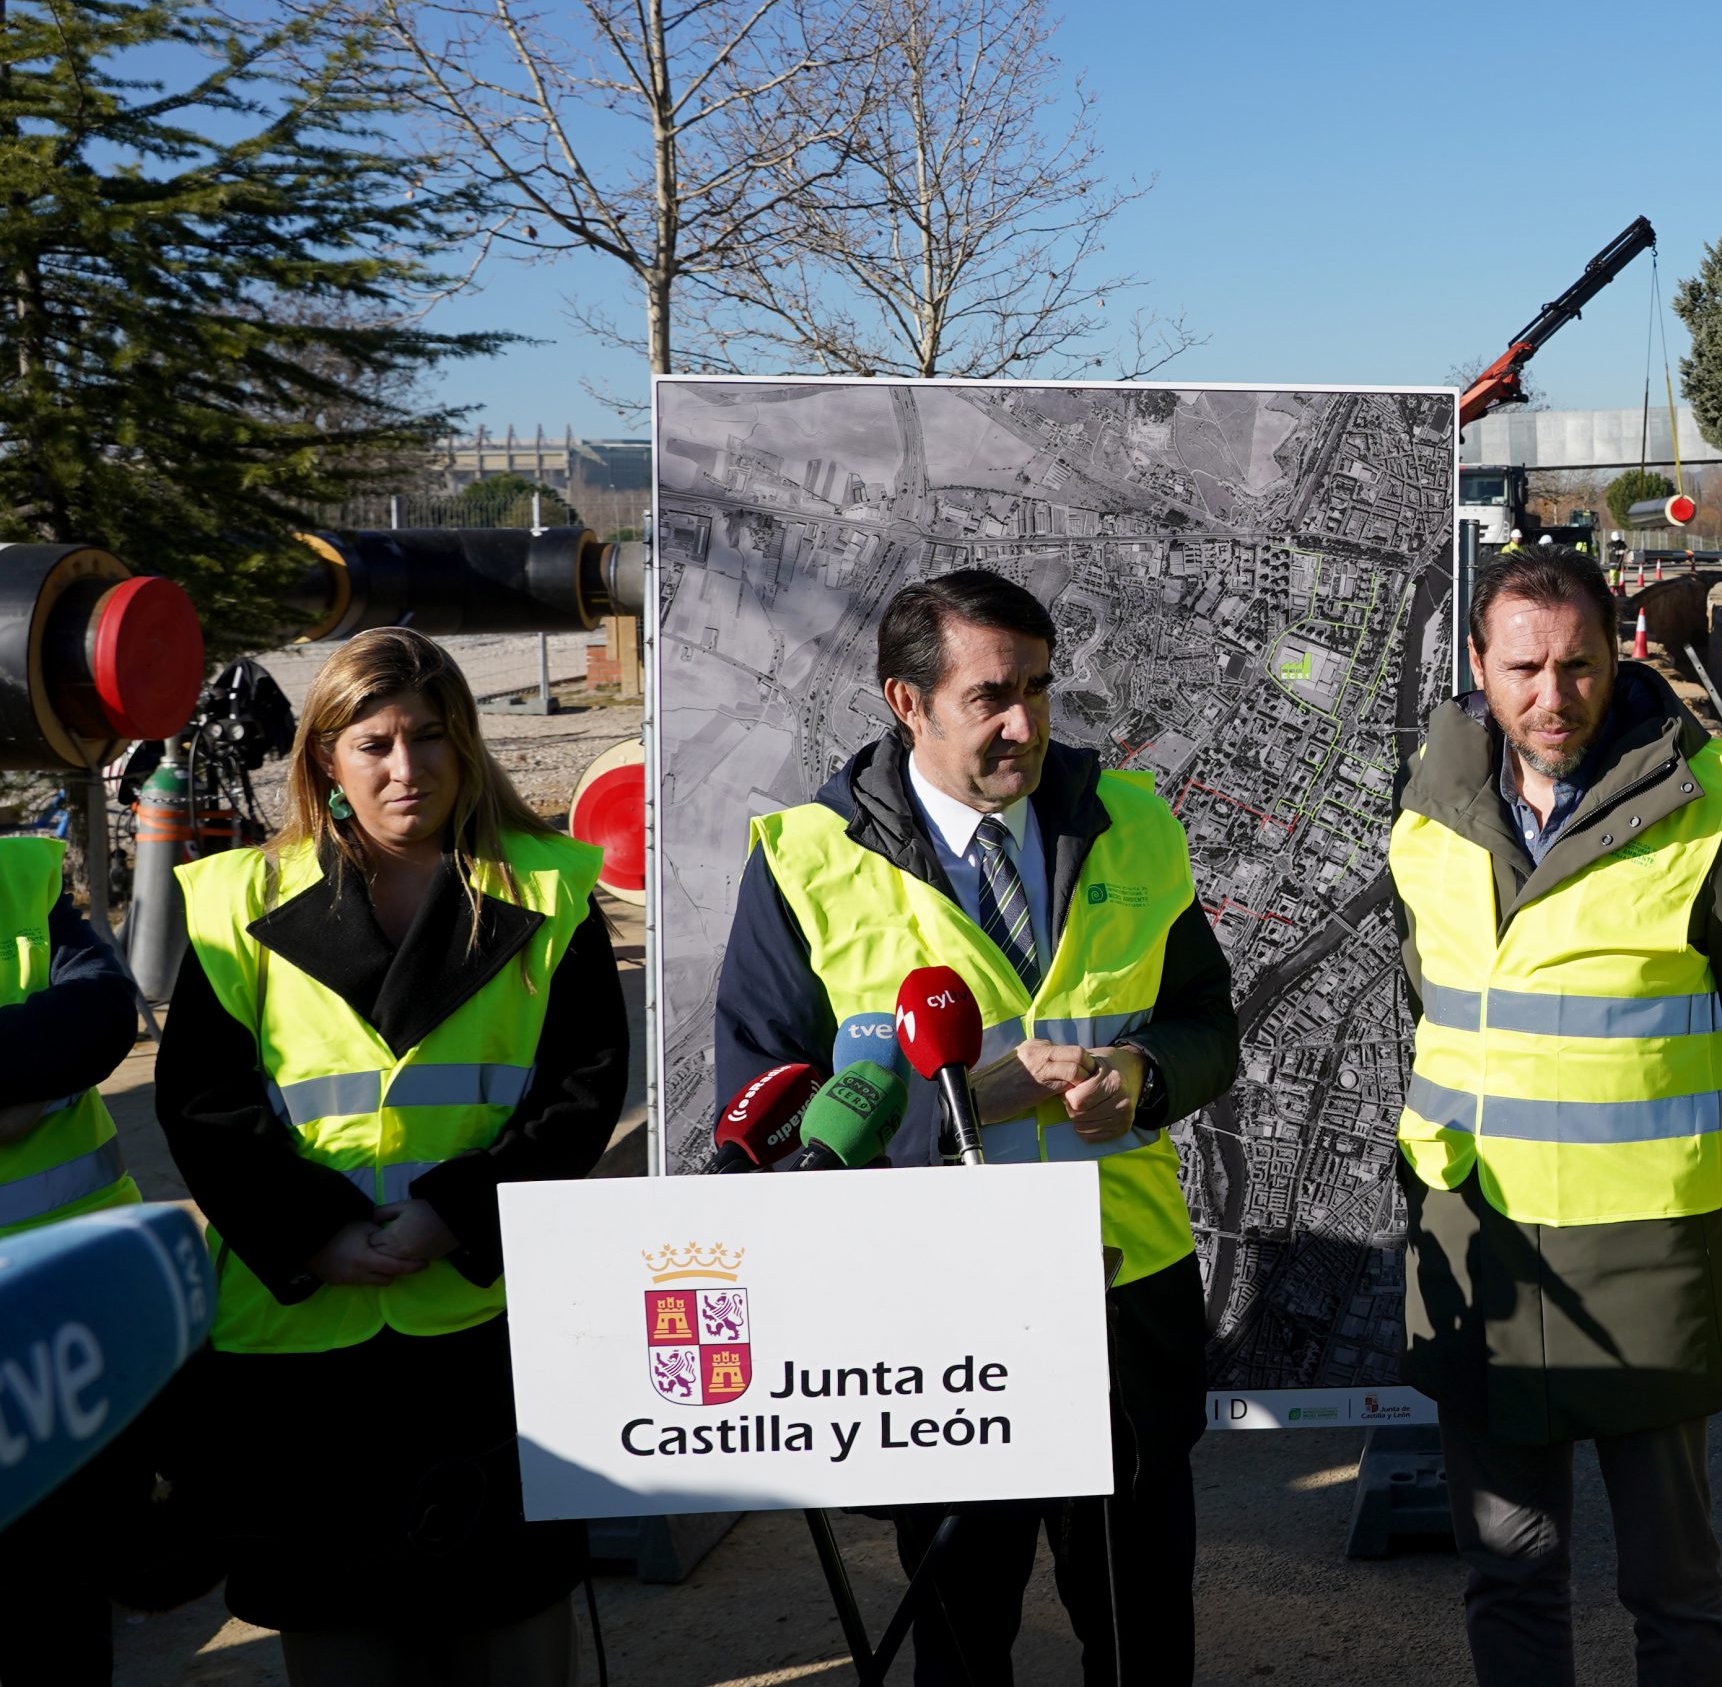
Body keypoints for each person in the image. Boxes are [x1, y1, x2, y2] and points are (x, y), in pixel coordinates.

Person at [716, 567, 1239, 1687]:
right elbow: (759, 1119)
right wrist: (965, 1102)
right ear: (906, 703)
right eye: (991, 696)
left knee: (1142, 1628)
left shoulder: (1132, 820)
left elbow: (1207, 1021)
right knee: (960, 1637)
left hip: (1123, 1288)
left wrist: (1143, 1073)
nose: (1024, 723)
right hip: (936, 1313)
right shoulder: (806, 860)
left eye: (1041, 689)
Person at [156, 627, 628, 1687]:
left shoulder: (548, 894)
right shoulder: (236, 900)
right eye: (373, 743)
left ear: (465, 745)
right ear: (325, 756)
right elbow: (204, 1104)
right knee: (341, 1631)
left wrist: (451, 1214)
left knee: (507, 1622)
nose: (404, 768)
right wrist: (314, 1231)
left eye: (428, 737)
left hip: (482, 1321)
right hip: (298, 1339)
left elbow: (579, 1093)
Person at [1390, 545, 1722, 1687]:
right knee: (1508, 1570)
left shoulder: (1710, 793)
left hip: (1646, 1261)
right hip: (1480, 1251)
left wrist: (1681, 1149)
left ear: (1614, 651)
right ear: (1479, 666)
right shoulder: (1429, 811)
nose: (1551, 693)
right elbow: (1426, 999)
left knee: (1669, 1584)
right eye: (1523, 666)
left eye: (1576, 663)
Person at [0, 838, 150, 1685]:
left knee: (58, 1606)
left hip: (56, 1315)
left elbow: (97, 1017)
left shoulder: (18, 880)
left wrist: (42, 1077)